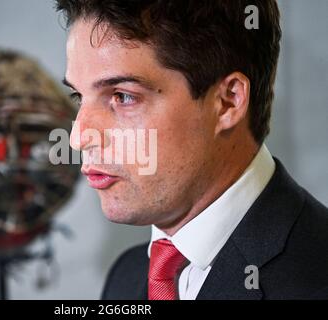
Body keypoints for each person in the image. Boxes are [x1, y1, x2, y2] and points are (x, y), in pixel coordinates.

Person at [55, 0, 328, 300]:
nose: (78, 138)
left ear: (227, 102)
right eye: (78, 95)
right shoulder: (128, 275)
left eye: (123, 96)